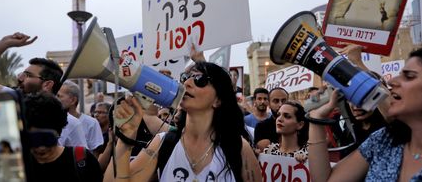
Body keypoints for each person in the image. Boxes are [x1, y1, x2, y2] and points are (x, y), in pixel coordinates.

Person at [104, 61, 261, 181]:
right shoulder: (163, 143)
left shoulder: (238, 147)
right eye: (185, 78)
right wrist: (125, 139)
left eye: (199, 79)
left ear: (218, 100)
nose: (186, 83)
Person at [307, 46, 422, 181]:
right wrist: (316, 119)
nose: (391, 81)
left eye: (409, 76)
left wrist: (358, 62)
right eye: (350, 100)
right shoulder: (383, 140)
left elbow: (387, 110)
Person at [24, 92, 102, 182]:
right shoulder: (18, 165)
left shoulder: (82, 160)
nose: (41, 147)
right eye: (35, 139)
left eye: (47, 138)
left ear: (58, 132)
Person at [58, 80, 104, 157]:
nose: (55, 99)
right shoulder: (54, 121)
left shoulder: (91, 123)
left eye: (59, 96)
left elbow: (96, 153)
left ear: (73, 100)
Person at [254, 87, 289, 152]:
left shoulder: (297, 125)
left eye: (284, 101)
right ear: (269, 104)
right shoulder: (261, 127)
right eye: (276, 101)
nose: (280, 104)